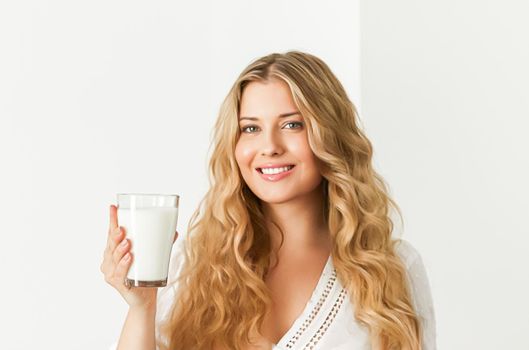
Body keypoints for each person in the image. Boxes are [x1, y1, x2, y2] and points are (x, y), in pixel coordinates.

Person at [101, 50, 437, 350]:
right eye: (250, 129)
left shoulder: (389, 269)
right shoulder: (190, 267)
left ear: (330, 135)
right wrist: (142, 306)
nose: (270, 146)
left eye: (292, 125)